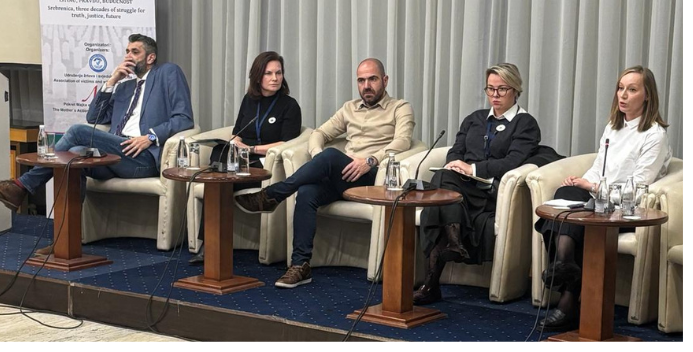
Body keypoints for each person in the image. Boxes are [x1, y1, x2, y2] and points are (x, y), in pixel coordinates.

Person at [0, 34, 194, 253]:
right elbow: (95, 118)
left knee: (76, 131)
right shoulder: (124, 87)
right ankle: (66, 242)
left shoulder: (167, 73)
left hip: (140, 158)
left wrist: (150, 136)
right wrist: (111, 82)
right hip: (112, 156)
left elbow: (184, 118)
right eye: (127, 51)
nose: (128, 56)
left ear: (150, 58)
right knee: (72, 155)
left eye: (135, 52)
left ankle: (21, 186)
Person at [234, 58, 415, 288]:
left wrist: (370, 160)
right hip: (343, 177)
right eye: (361, 80)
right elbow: (319, 133)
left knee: (330, 158)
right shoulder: (349, 108)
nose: (366, 86)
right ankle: (300, 265)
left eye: (372, 79)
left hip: (373, 177)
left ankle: (274, 194)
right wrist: (317, 153)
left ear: (385, 80)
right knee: (308, 192)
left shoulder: (400, 107)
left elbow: (402, 141)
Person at [534, 65, 671, 331]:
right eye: (620, 88)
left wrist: (593, 187)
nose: (623, 95)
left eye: (632, 90)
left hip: (627, 208)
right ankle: (565, 264)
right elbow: (599, 166)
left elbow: (639, 187)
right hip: (599, 199)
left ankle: (567, 294)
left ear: (647, 96)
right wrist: (580, 181)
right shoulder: (613, 126)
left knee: (579, 222)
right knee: (563, 196)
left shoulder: (655, 135)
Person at [414, 63, 544, 306]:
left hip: (490, 192)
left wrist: (472, 169)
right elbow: (455, 151)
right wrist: (454, 164)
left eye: (502, 89)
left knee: (440, 189)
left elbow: (513, 161)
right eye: (490, 89)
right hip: (461, 189)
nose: (494, 95)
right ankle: (451, 244)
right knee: (443, 178)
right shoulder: (474, 119)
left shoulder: (525, 123)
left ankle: (433, 280)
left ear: (516, 90)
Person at [189, 51, 302, 264]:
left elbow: (287, 143)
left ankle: (209, 245)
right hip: (240, 160)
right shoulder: (249, 100)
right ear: (258, 77)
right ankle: (210, 243)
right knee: (218, 163)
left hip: (264, 164)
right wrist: (233, 142)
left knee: (220, 181)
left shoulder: (289, 105)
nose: (275, 78)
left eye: (279, 73)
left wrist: (251, 149)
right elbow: (238, 131)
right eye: (269, 73)